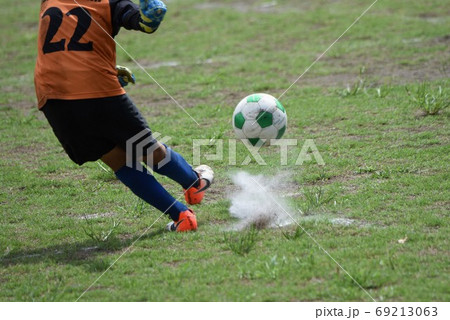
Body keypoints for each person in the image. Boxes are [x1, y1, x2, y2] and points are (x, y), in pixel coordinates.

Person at [34, 0, 213, 232]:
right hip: (96, 86)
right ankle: (193, 182)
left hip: (53, 96)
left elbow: (66, 43)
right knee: (147, 148)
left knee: (118, 161)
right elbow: (143, 23)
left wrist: (104, 64)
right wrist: (150, 16)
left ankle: (181, 216)